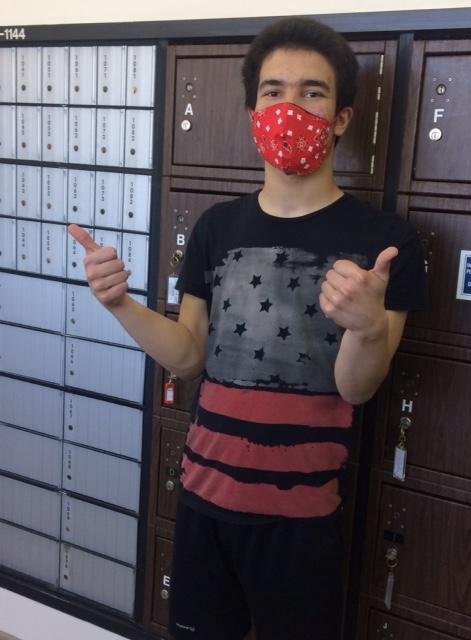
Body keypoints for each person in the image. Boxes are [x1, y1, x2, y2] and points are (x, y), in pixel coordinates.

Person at [69, 16, 427, 640]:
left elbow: (357, 390)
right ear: (252, 109)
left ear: (341, 117)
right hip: (204, 499)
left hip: (304, 517)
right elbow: (188, 357)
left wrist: (368, 328)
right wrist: (120, 305)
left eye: (312, 93)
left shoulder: (385, 242)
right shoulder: (216, 227)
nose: (290, 107)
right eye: (272, 91)